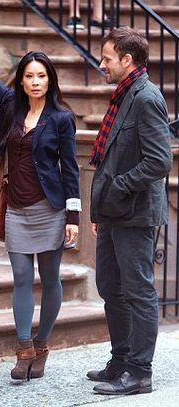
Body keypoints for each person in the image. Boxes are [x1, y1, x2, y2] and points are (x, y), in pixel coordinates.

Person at [0, 5, 81, 381]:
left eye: (41, 76)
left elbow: (70, 169)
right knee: (22, 278)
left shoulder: (61, 118)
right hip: (17, 210)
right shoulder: (10, 106)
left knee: (51, 280)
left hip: (51, 209)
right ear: (21, 81)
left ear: (49, 80)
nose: (36, 81)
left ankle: (42, 345)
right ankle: (23, 350)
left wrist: (72, 216)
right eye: (29, 76)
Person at [88, 27, 172, 395]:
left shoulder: (146, 97)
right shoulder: (124, 94)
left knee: (138, 291)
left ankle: (140, 372)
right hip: (112, 212)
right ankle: (121, 360)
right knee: (109, 285)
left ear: (127, 60)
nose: (101, 63)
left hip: (134, 212)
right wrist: (102, 205)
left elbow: (159, 160)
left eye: (107, 58)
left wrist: (118, 187)